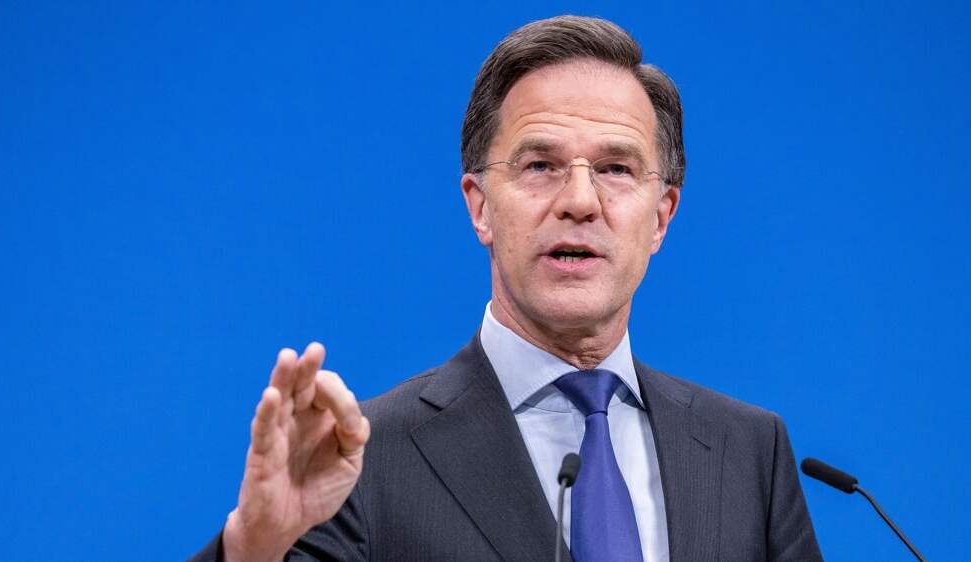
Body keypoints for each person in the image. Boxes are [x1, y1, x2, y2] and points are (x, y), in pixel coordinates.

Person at [191, 15, 822, 562]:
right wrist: (255, 544)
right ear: (481, 207)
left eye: (616, 168)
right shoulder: (359, 461)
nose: (580, 201)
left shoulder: (750, 452)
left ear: (660, 217)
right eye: (540, 165)